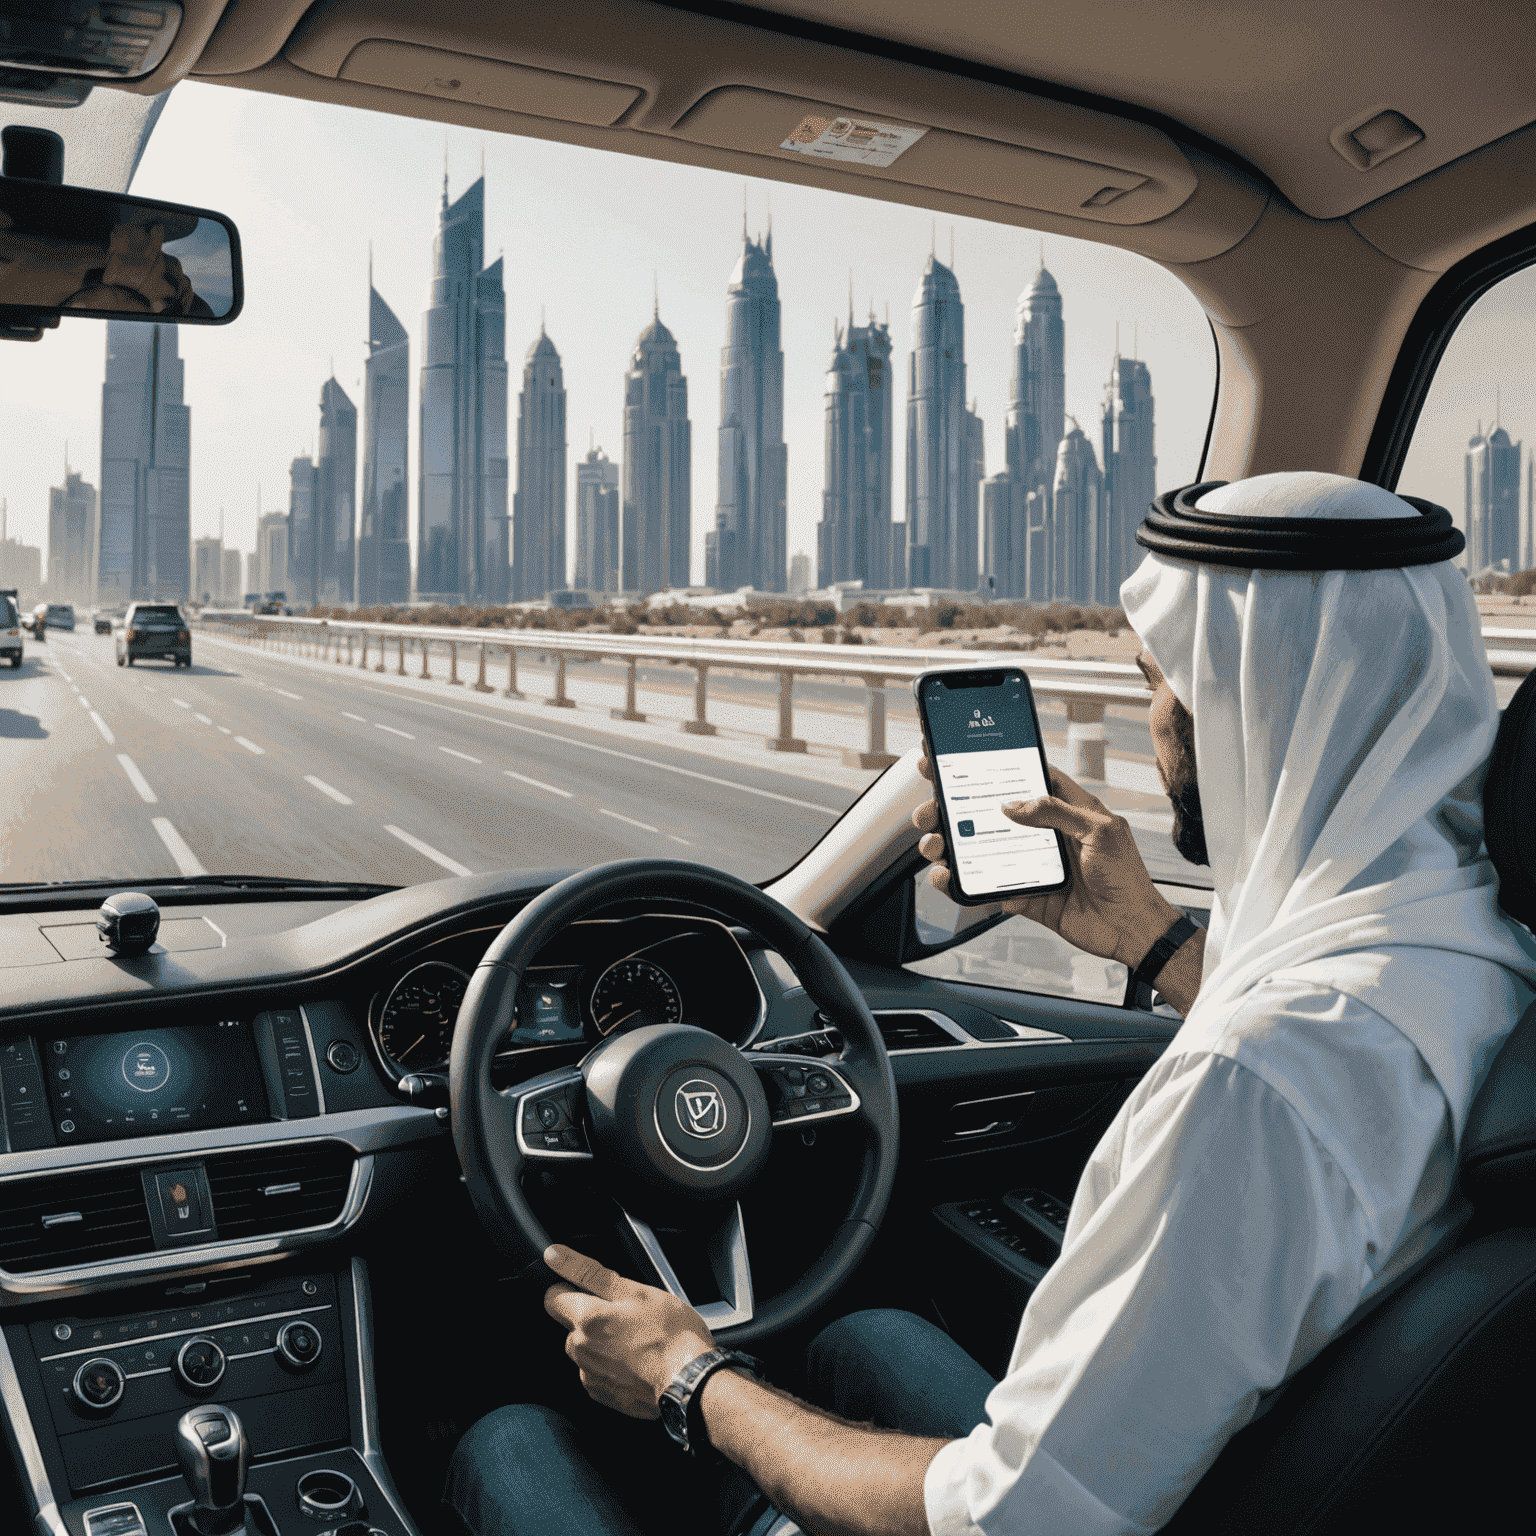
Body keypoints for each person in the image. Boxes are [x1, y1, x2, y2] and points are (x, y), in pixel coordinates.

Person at [444, 472, 1536, 1536]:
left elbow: (1016, 1513)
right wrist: (1152, 941)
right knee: (864, 1338)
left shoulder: (1255, 1080)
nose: (1156, 726)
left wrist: (690, 1379)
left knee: (509, 1446)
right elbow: (1341, 1079)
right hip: (1257, 1477)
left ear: (1245, 712)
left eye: (1160, 685)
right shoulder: (1477, 952)